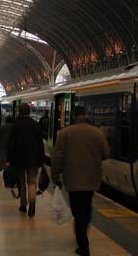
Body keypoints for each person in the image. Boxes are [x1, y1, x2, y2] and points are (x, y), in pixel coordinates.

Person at [51, 106, 110, 256]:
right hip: (91, 177)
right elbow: (106, 154)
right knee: (86, 206)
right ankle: (83, 231)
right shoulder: (97, 133)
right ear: (86, 115)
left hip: (72, 179)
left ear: (74, 116)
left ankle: (83, 243)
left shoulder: (65, 133)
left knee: (77, 210)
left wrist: (55, 176)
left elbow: (57, 157)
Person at [6, 103, 44, 217]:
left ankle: (23, 204)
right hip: (33, 160)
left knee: (22, 183)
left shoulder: (15, 126)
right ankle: (32, 204)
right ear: (29, 112)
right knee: (32, 182)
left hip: (19, 160)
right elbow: (40, 144)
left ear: (19, 112)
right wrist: (41, 160)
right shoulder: (36, 125)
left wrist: (9, 159)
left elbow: (11, 145)